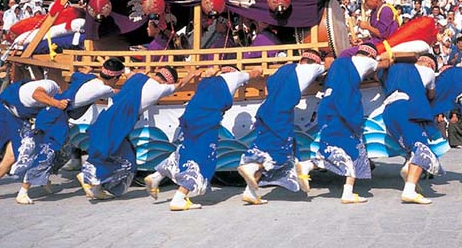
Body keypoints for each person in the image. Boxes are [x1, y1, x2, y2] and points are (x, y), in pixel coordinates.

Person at [145, 64, 260, 210]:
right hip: (206, 121)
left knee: (185, 151)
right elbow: (255, 72)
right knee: (203, 158)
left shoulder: (206, 81)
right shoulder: (234, 76)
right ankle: (179, 197)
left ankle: (156, 176)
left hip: (190, 117)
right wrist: (258, 70)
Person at [82, 62, 191, 200]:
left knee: (109, 154)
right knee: (128, 164)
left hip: (104, 118)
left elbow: (128, 71)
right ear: (167, 81)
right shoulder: (158, 89)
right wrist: (192, 74)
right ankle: (91, 175)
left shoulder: (137, 77)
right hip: (119, 123)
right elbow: (180, 85)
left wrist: (146, 70)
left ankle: (95, 185)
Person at [11, 67, 119, 204]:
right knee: (46, 153)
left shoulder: (88, 78)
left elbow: (74, 75)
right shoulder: (104, 89)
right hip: (55, 117)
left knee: (63, 153)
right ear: (115, 78)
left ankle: (45, 180)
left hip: (52, 114)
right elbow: (119, 93)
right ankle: (23, 191)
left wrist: (86, 71)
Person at [236, 50, 326, 205]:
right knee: (280, 153)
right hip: (280, 114)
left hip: (265, 111)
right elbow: (329, 63)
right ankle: (251, 167)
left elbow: (268, 86)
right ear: (315, 61)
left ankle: (250, 192)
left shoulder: (283, 69)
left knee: (268, 149)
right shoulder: (314, 68)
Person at [0, 76, 67, 202]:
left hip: (20, 121)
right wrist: (57, 103)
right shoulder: (51, 85)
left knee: (12, 158)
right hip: (2, 111)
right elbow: (37, 94)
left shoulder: (59, 102)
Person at [306, 43, 386, 204]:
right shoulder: (366, 61)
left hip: (327, 105)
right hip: (345, 105)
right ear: (369, 54)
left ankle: (308, 165)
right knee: (355, 149)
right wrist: (385, 58)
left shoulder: (337, 63)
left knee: (332, 145)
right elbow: (384, 64)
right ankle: (347, 192)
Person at [380, 56, 442, 205]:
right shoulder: (428, 71)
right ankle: (409, 190)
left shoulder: (394, 69)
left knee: (411, 146)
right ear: (430, 64)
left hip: (388, 110)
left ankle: (408, 166)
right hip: (407, 106)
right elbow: (431, 94)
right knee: (421, 147)